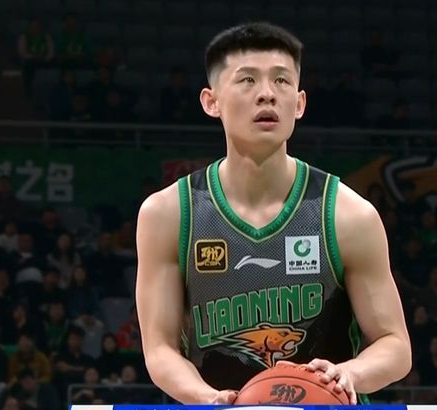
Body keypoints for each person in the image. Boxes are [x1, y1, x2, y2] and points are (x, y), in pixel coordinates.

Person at [135, 22, 412, 405]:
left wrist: (350, 373)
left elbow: (395, 345)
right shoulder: (169, 214)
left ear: (299, 104)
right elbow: (160, 348)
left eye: (281, 81)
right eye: (247, 80)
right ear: (211, 102)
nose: (267, 94)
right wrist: (209, 398)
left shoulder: (347, 215)